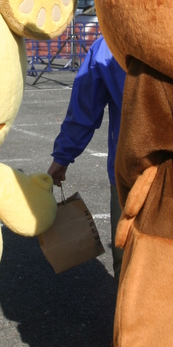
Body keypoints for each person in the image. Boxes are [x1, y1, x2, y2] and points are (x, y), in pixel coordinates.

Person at [47, 35, 126, 285]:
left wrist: (61, 159)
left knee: (129, 263)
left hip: (131, 172)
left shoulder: (110, 44)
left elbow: (84, 110)